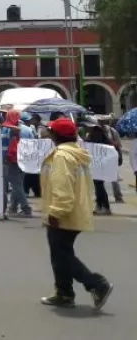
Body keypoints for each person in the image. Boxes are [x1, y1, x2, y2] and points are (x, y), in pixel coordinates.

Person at [39, 117, 112, 309]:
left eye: (51, 131)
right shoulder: (76, 153)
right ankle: (64, 293)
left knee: (62, 255)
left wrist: (56, 212)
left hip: (64, 213)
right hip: (75, 211)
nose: (49, 134)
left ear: (56, 135)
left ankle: (96, 284)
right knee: (60, 254)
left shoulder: (62, 156)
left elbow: (63, 189)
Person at [80, 117, 114, 215]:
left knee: (99, 185)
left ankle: (105, 206)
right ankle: (99, 205)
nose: (85, 127)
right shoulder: (94, 133)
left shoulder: (96, 133)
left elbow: (96, 147)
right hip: (97, 162)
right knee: (97, 184)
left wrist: (87, 142)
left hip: (100, 163)